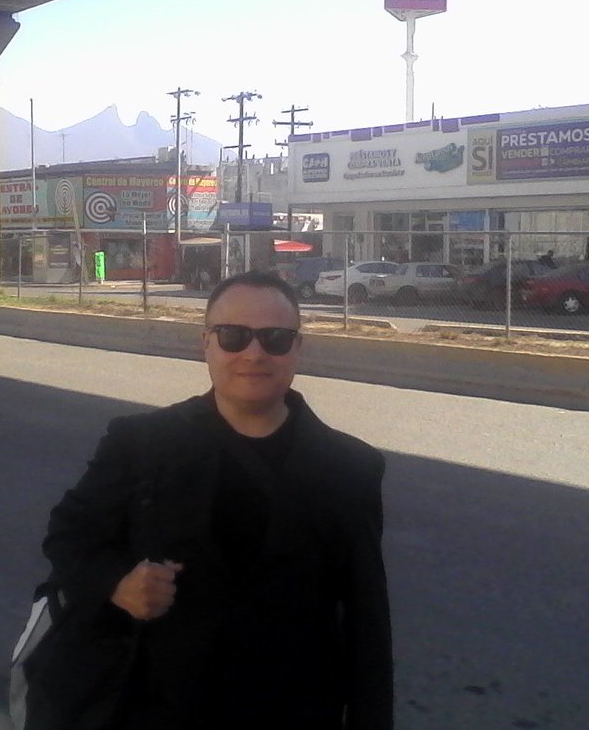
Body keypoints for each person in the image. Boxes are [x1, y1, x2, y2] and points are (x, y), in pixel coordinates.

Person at [39, 271, 393, 729]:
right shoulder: (141, 443)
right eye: (233, 336)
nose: (253, 353)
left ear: (298, 348)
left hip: (293, 712)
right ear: (205, 344)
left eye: (275, 339)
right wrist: (117, 583)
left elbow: (366, 623)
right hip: (156, 706)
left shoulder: (351, 468)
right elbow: (69, 536)